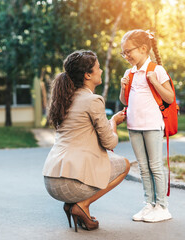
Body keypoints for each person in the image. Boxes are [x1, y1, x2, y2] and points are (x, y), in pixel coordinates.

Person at [42, 50, 130, 232]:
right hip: (71, 183)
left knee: (106, 162)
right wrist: (113, 122)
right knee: (125, 165)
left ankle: (76, 207)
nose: (101, 71)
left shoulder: (63, 99)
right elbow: (110, 143)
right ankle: (82, 205)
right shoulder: (92, 100)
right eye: (98, 68)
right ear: (88, 75)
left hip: (51, 179)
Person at [119, 29, 174, 223]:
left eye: (128, 51)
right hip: (134, 126)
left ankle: (162, 206)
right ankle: (149, 204)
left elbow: (170, 97)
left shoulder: (156, 70)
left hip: (152, 125)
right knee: (143, 167)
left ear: (143, 49)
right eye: (123, 53)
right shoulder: (129, 73)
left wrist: (154, 82)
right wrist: (123, 86)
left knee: (155, 166)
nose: (126, 56)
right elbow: (124, 101)